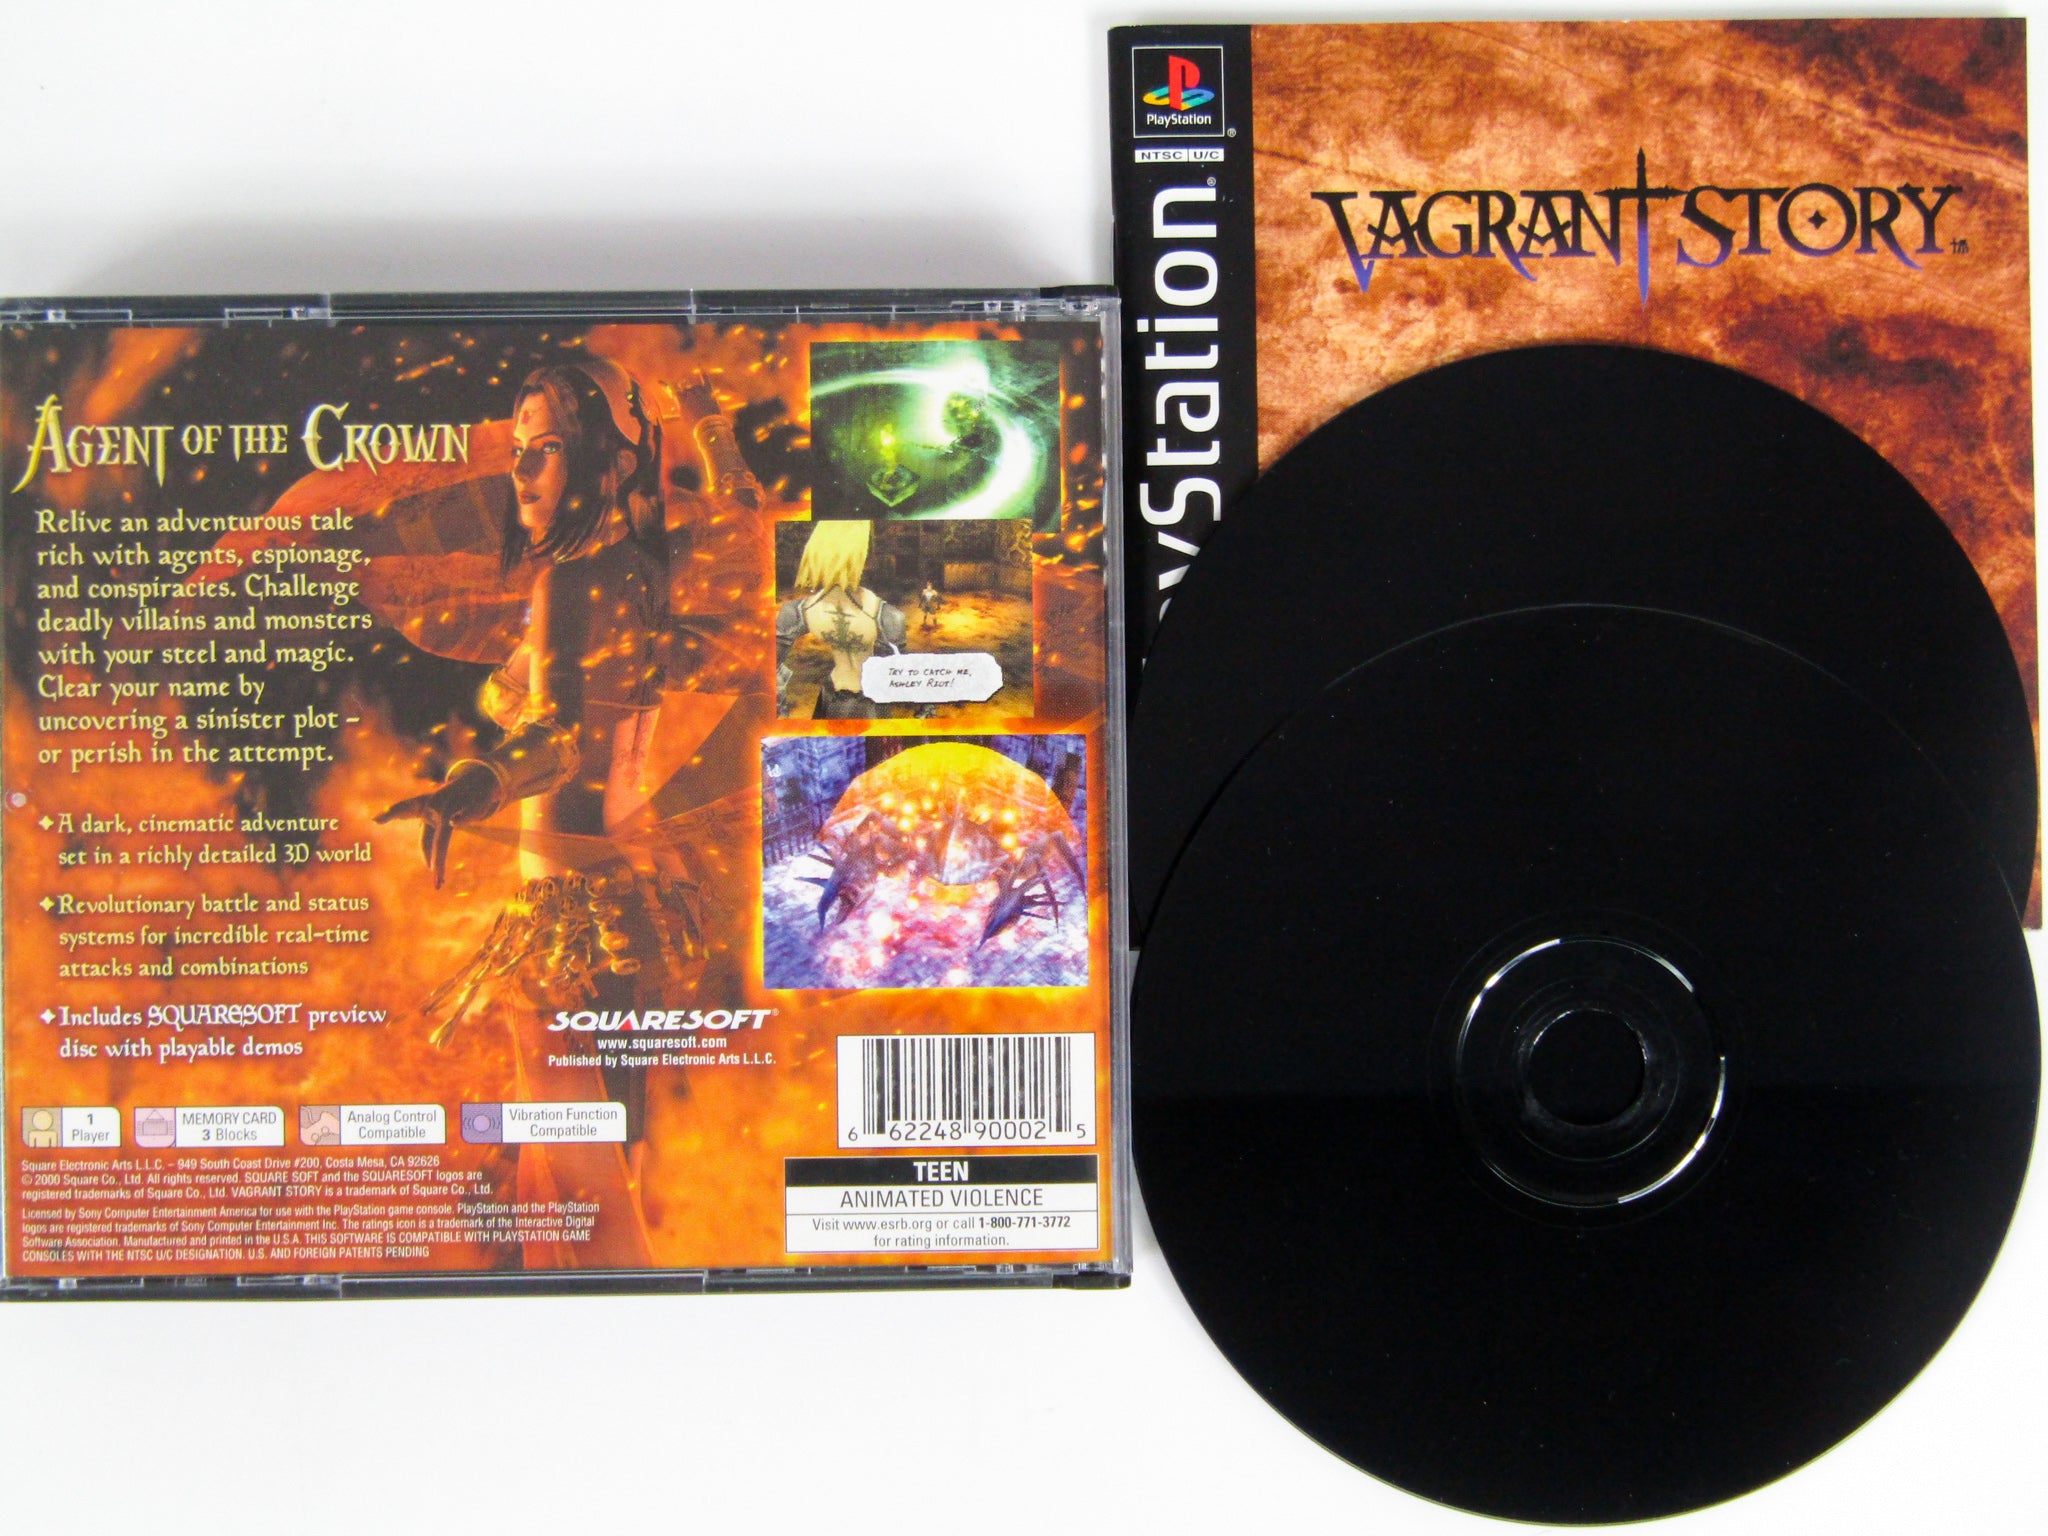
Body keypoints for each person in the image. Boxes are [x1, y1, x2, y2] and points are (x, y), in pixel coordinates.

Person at [378, 359, 695, 1269]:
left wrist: (473, 786)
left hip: (568, 919)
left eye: (544, 450)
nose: (518, 472)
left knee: (577, 1188)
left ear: (607, 461)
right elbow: (574, 712)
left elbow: (560, 734)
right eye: (518, 450)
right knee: (593, 1167)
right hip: (624, 901)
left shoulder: (573, 581)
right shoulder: (642, 572)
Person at [776, 519, 909, 717]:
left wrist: (780, 712)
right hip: (862, 703)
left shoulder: (801, 610)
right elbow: (900, 677)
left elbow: (769, 670)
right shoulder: (887, 616)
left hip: (835, 697)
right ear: (864, 556)